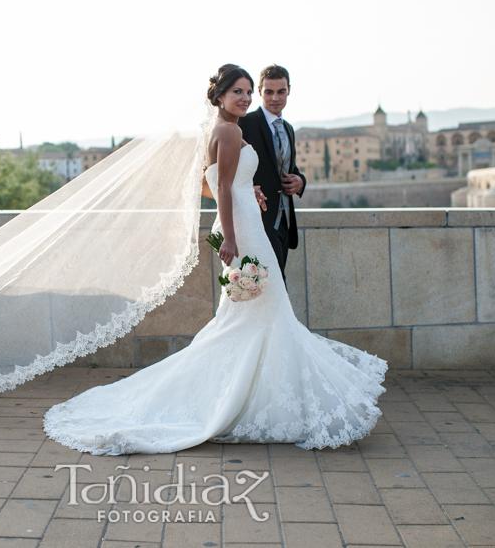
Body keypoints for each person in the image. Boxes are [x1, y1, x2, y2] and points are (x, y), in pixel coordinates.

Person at [42, 65, 386, 455]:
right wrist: (233, 238)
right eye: (237, 92)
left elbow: (215, 182)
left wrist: (248, 190)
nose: (245, 98)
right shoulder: (229, 130)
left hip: (243, 219)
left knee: (254, 318)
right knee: (263, 314)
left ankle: (252, 397)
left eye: (246, 92)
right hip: (243, 232)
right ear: (220, 96)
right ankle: (253, 401)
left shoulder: (221, 130)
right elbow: (220, 184)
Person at [238, 65, 305, 283]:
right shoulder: (245, 124)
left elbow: (288, 169)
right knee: (276, 285)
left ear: (289, 91)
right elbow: (231, 170)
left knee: (274, 286)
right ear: (259, 91)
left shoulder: (289, 129)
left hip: (285, 222)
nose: (275, 98)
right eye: (269, 92)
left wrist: (300, 181)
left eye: (281, 91)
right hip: (259, 220)